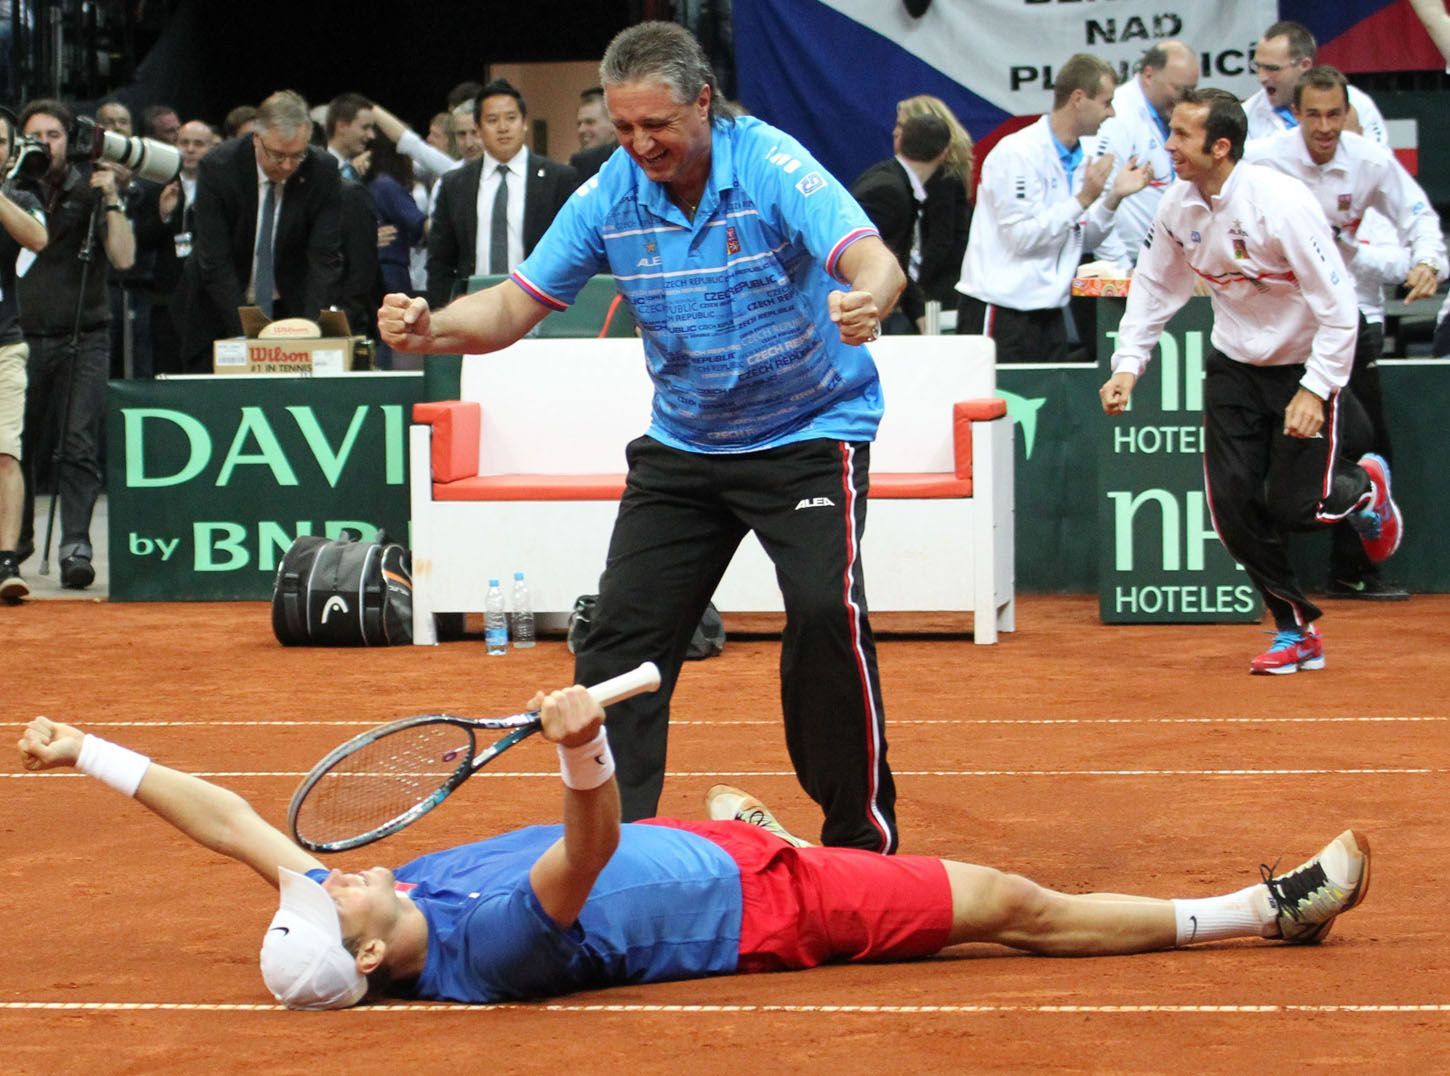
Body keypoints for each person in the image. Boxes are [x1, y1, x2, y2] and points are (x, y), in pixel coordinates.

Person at [383, 21, 907, 852]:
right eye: (624, 127)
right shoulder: (607, 195)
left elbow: (873, 258)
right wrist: (431, 328)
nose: (639, 144)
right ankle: (613, 850)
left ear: (704, 102)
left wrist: (868, 298)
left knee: (822, 612)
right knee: (618, 641)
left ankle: (859, 841)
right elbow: (511, 308)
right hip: (687, 445)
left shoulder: (773, 166)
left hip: (808, 433)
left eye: (656, 125)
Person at [16, 693, 1373, 1010]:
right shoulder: (489, 946)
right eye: (337, 892)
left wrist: (88, 754)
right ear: (367, 954)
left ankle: (1250, 906)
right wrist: (577, 746)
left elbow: (232, 823)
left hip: (724, 852)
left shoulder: (375, 911)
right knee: (1010, 904)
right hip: (779, 909)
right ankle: (1257, 911)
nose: (331, 865)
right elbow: (590, 835)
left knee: (987, 892)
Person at [1099, 88, 1404, 675]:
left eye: (1183, 136)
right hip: (1235, 366)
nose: (1169, 146)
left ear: (1221, 146)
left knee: (1295, 506)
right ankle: (1295, 630)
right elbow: (1154, 289)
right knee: (1232, 506)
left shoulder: (1279, 205)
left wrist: (1315, 389)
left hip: (1303, 364)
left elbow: (1340, 307)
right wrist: (1127, 365)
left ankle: (1366, 491)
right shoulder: (1176, 207)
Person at [1244, 66, 1446, 602]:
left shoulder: (1370, 162)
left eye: (1334, 115)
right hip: (1281, 327)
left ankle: (1354, 571)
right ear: (1297, 114)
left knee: (1365, 445)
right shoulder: (1263, 158)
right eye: (1314, 114)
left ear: (1347, 113)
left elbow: (1419, 216)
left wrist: (1428, 260)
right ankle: (1269, 577)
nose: (1325, 126)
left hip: (1348, 322)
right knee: (1272, 448)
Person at [955, 53, 1153, 363]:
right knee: (994, 409)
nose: (1112, 113)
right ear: (1078, 98)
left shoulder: (1084, 156)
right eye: (1106, 102)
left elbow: (1082, 240)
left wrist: (1113, 197)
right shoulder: (1018, 152)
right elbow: (1021, 238)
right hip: (1000, 309)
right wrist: (1083, 200)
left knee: (1048, 411)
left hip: (1050, 314)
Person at [16, 98, 135, 589]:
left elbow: (124, 258)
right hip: (19, 336)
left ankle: (75, 545)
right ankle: (13, 543)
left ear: (70, 139)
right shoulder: (11, 188)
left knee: (78, 444)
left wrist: (110, 198)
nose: (44, 144)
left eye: (54, 135)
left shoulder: (90, 189)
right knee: (15, 446)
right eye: (35, 136)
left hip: (84, 335)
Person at [178, 90, 342, 370]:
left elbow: (323, 257)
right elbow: (214, 260)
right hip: (221, 308)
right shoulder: (219, 167)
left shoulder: (322, 169)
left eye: (298, 155)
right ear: (256, 138)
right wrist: (251, 334)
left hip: (291, 308)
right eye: (278, 155)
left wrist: (313, 331)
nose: (288, 166)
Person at [424, 78, 577, 308]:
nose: (503, 128)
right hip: (472, 308)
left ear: (524, 122)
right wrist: (445, 312)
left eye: (511, 118)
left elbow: (573, 252)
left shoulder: (559, 179)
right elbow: (440, 263)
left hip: (541, 306)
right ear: (478, 128)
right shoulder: (455, 184)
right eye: (492, 120)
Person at [0, 109, 50, 602]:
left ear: (12, 152)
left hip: (3, 346)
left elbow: (37, 238)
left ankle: (5, 560)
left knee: (4, 453)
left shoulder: (21, 199)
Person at [1091, 40, 1199, 267]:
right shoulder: (1117, 116)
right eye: (1179, 89)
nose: (1185, 98)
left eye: (1191, 90)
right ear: (1149, 75)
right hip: (1129, 264)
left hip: (1168, 261)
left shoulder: (1171, 115)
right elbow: (1098, 201)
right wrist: (1120, 270)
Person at [850, 110, 953, 333]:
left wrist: (920, 315)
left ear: (900, 141)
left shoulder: (891, 180)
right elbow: (877, 263)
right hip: (862, 316)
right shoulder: (888, 192)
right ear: (943, 153)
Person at [894, 95, 973, 331]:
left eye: (901, 125)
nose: (895, 132)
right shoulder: (941, 176)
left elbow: (941, 241)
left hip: (939, 293)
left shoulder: (942, 179)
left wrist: (911, 288)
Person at [1242, 21, 1386, 145]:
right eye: (1258, 66)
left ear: (1304, 65)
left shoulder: (1356, 102)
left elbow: (1380, 164)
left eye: (1272, 68)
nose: (1261, 77)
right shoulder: (1246, 115)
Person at [569, 86, 618, 181]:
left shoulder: (634, 157)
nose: (581, 130)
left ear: (614, 123)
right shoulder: (579, 164)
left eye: (590, 122)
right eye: (579, 124)